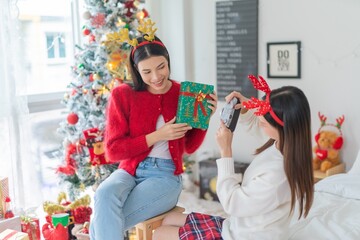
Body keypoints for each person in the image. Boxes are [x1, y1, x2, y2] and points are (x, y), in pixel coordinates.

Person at [89, 31, 218, 239]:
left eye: (161, 67)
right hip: (129, 171)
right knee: (104, 193)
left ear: (168, 61)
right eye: (147, 71)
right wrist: (157, 135)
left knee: (102, 222)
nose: (156, 77)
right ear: (136, 71)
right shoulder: (122, 95)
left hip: (165, 176)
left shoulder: (182, 93)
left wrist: (205, 119)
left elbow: (190, 147)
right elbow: (113, 151)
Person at [153, 75, 314, 240]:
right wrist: (244, 108)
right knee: (169, 219)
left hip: (244, 235)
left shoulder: (278, 174)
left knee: (159, 234)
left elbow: (231, 203)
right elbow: (258, 126)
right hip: (237, 226)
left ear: (283, 126)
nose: (259, 121)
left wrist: (226, 151)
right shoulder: (284, 144)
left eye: (264, 121)